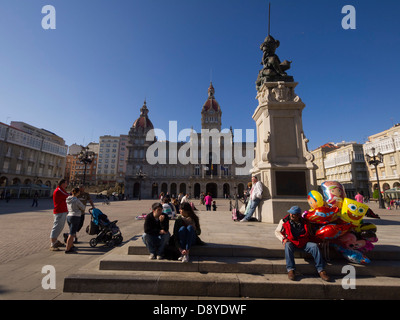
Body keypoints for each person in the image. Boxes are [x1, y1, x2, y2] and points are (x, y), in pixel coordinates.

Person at [275, 206, 330, 282]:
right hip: (292, 242)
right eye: (291, 213)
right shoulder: (284, 221)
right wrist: (283, 239)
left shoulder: (305, 222)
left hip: (304, 243)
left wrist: (320, 240)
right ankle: (291, 269)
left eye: (293, 214)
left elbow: (310, 234)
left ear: (298, 215)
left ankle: (321, 270)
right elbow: (277, 232)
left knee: (314, 246)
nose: (291, 215)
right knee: (287, 245)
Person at [50, 179, 69, 251]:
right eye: (66, 183)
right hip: (59, 211)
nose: (67, 184)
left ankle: (55, 241)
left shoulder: (62, 190)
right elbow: (67, 196)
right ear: (62, 184)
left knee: (60, 226)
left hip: (63, 210)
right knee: (57, 226)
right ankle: (53, 243)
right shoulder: (59, 190)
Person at [65, 188, 85, 254]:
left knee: (71, 231)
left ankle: (71, 245)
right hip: (75, 216)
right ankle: (68, 249)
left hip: (69, 215)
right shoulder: (76, 200)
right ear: (78, 192)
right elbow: (83, 207)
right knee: (72, 233)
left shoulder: (68, 199)